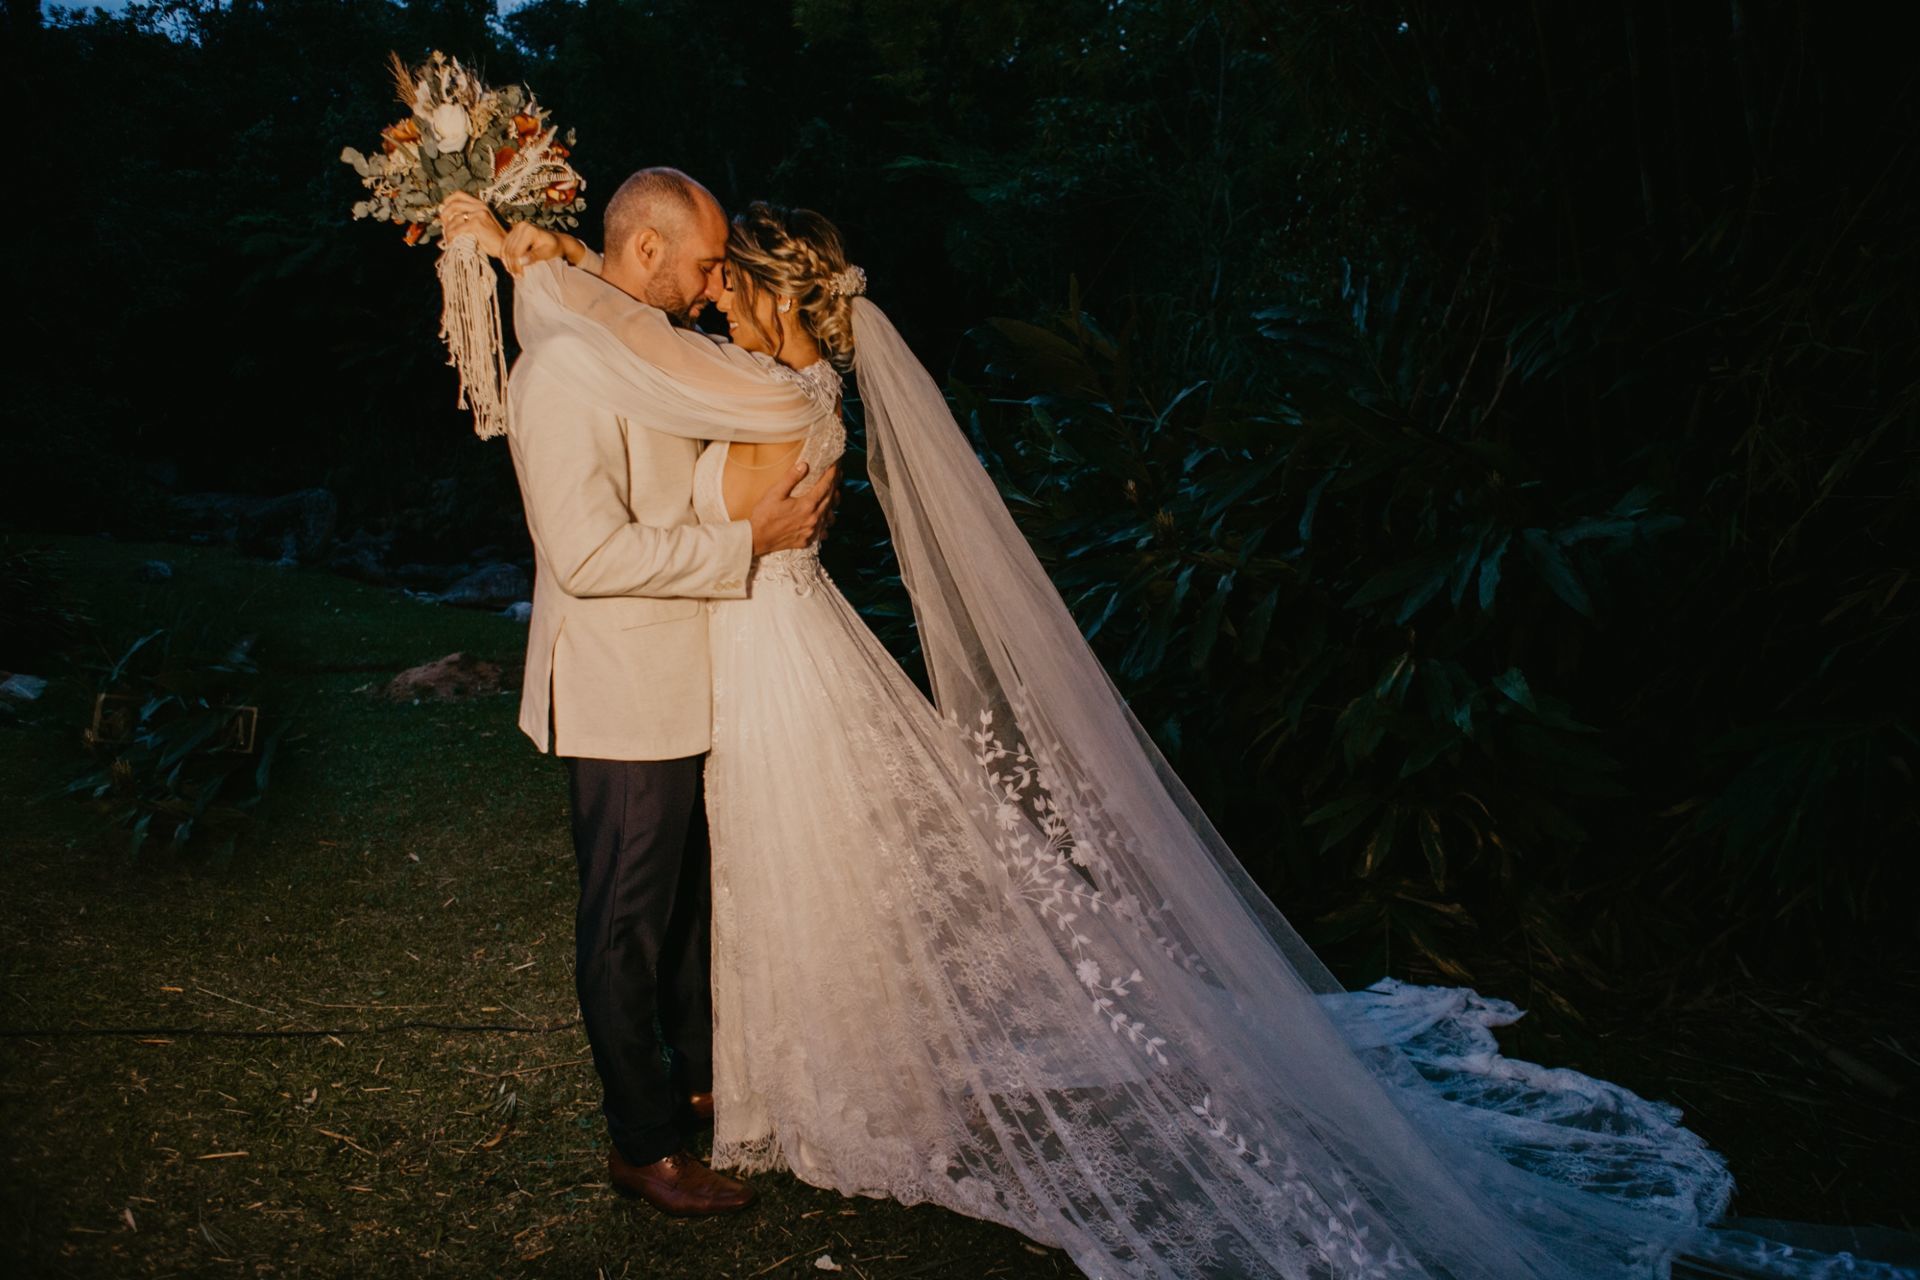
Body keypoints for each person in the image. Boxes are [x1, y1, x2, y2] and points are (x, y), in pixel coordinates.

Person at [470, 196, 1916, 1279]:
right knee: (745, 885)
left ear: (768, 303)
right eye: (697, 268)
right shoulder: (765, 378)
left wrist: (538, 266)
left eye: (727, 278)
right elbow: (620, 369)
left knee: (769, 878)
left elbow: (651, 394)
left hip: (767, 651)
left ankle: (731, 1092)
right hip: (750, 650)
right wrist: (518, 250)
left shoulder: (765, 388)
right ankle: (719, 1086)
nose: (704, 296)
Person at [439, 175, 841, 1217]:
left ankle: (697, 1079)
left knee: (686, 905)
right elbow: (587, 549)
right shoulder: (567, 370)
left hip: (689, 671)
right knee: (624, 918)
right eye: (706, 264)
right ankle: (644, 1143)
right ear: (651, 251)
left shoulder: (633, 343)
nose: (715, 287)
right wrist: (746, 540)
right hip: (622, 685)